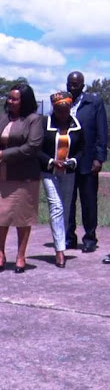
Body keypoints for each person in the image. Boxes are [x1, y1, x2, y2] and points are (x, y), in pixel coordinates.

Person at [0, 83, 43, 274]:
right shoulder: (1, 118)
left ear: (25, 101)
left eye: (15, 99)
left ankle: (20, 256)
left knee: (22, 218)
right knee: (0, 217)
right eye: (9, 97)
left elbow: (33, 147)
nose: (10, 101)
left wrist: (5, 154)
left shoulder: (35, 119)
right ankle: (0, 255)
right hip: (0, 175)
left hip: (24, 177)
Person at [39, 92, 84, 268]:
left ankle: (62, 241)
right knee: (56, 207)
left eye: (65, 110)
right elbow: (37, 149)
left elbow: (82, 148)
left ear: (70, 108)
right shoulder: (44, 125)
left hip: (69, 172)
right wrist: (51, 161)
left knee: (65, 207)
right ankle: (59, 251)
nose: (62, 113)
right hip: (49, 171)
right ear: (54, 108)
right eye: (59, 109)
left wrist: (72, 161)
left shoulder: (77, 126)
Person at [64, 71, 107, 254]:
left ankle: (89, 238)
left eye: (75, 84)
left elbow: (102, 131)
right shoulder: (62, 102)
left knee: (88, 201)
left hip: (88, 161)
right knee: (68, 201)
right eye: (69, 84)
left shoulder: (93, 102)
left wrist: (99, 158)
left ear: (82, 85)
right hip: (67, 160)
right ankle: (69, 238)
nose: (71, 87)